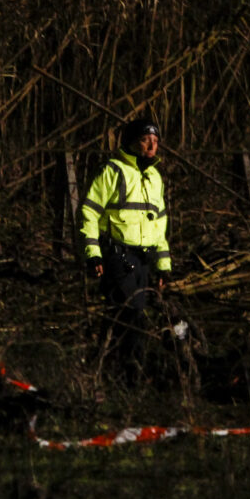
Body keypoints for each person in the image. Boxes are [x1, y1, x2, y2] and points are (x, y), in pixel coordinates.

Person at [79, 118, 172, 379]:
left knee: (132, 317)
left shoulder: (155, 177)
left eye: (155, 141)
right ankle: (130, 377)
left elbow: (160, 225)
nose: (152, 146)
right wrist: (93, 253)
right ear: (132, 142)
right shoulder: (113, 171)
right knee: (130, 317)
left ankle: (111, 372)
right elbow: (89, 211)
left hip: (144, 261)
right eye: (146, 140)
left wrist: (163, 266)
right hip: (119, 258)